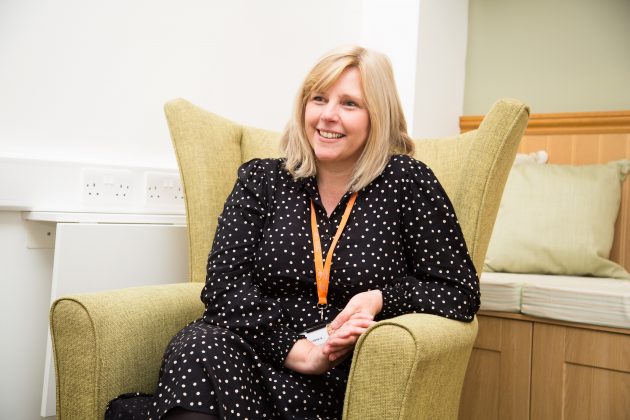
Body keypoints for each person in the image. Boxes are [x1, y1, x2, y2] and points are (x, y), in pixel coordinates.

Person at [106, 45, 480, 420]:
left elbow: (459, 292)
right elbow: (223, 285)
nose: (328, 116)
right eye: (319, 98)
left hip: (341, 371)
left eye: (349, 104)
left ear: (377, 116)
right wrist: (296, 351)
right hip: (254, 347)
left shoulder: (407, 182)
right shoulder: (262, 179)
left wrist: (379, 298)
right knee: (198, 345)